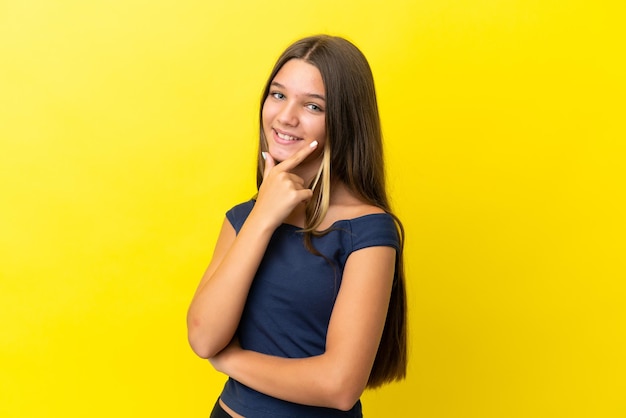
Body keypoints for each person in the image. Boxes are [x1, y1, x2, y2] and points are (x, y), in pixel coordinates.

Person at [187, 34, 407, 418]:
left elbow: (339, 386)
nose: (286, 117)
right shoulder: (244, 218)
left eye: (312, 105)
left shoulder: (369, 231)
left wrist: (231, 362)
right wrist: (264, 216)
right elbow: (204, 336)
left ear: (344, 121)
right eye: (278, 95)